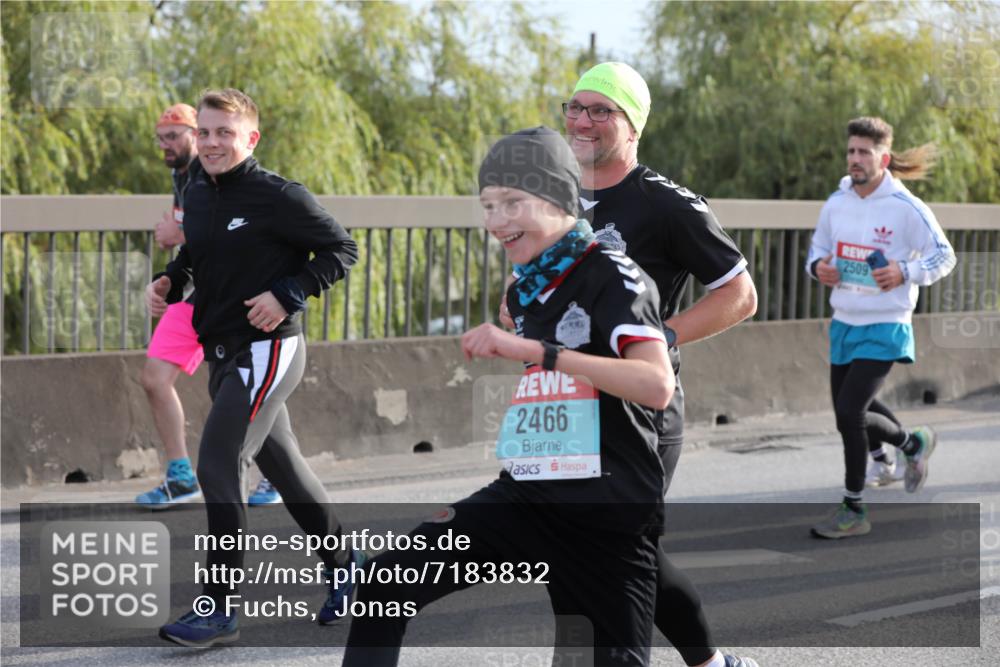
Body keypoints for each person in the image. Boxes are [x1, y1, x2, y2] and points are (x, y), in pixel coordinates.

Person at [343, 127, 674, 667]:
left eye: (513, 203)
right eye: (488, 206)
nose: (497, 222)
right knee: (386, 586)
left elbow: (656, 385)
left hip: (605, 517)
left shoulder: (614, 274)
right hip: (527, 497)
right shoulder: (526, 286)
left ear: (560, 196)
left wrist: (538, 351)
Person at [502, 63, 758, 667]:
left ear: (632, 126)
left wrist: (661, 340)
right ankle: (707, 663)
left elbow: (739, 294)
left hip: (638, 412)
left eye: (601, 111)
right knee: (593, 547)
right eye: (576, 106)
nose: (583, 121)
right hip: (561, 409)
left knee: (610, 551)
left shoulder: (662, 203)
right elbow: (524, 285)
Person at [147, 88, 360, 646]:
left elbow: (342, 250)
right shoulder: (196, 190)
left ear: (251, 138)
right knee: (285, 468)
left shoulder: (278, 196)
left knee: (219, 465)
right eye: (207, 132)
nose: (214, 143)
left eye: (226, 133)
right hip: (222, 349)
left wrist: (288, 293)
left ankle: (219, 609)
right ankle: (348, 565)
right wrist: (172, 280)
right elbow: (196, 251)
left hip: (268, 350)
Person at [806, 116, 955, 539]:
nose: (855, 159)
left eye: (864, 152)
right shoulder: (837, 202)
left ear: (883, 158)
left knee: (851, 412)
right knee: (849, 412)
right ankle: (912, 444)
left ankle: (854, 509)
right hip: (844, 322)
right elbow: (816, 251)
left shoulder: (905, 207)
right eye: (851, 150)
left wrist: (905, 271)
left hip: (886, 323)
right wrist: (820, 268)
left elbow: (944, 256)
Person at [137, 103, 281, 509]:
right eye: (160, 137)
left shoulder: (211, 171)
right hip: (197, 294)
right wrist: (167, 280)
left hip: (234, 296)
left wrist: (176, 231)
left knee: (245, 388)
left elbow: (232, 230)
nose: (166, 144)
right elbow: (197, 242)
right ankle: (181, 475)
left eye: (175, 135)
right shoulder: (181, 174)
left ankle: (275, 471)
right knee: (154, 376)